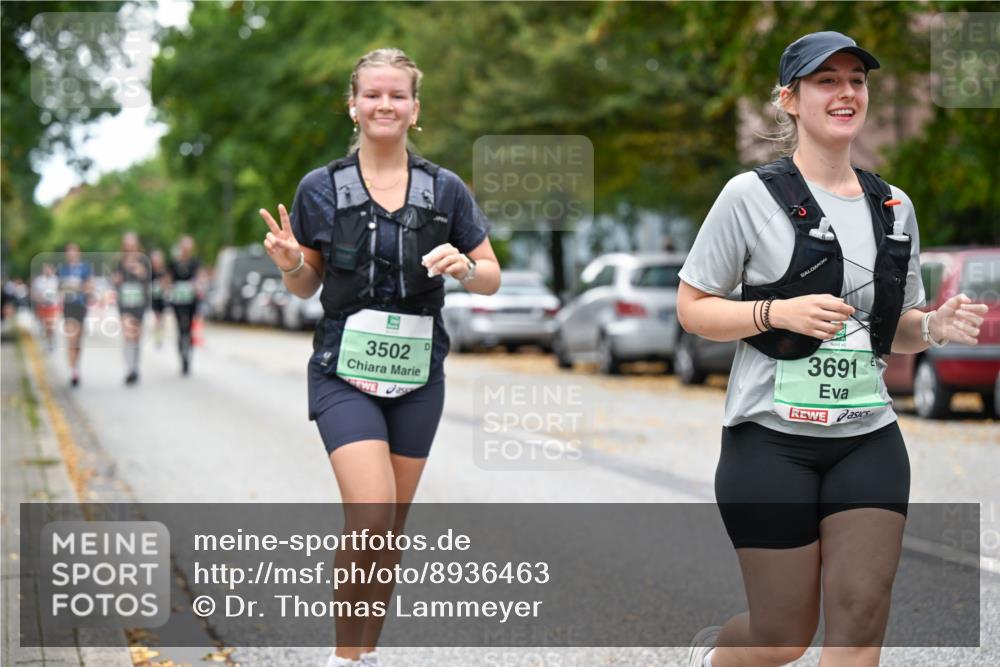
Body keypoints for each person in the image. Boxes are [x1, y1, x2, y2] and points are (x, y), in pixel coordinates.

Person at [677, 32, 988, 667]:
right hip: (770, 440)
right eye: (827, 80)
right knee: (783, 636)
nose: (846, 92)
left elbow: (892, 326)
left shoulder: (894, 206)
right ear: (790, 100)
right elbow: (693, 309)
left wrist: (932, 327)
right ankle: (710, 659)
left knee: (861, 618)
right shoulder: (749, 196)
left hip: (867, 437)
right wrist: (774, 311)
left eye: (857, 80)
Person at [259, 47, 500, 667]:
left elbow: (491, 275)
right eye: (373, 94)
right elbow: (306, 284)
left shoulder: (446, 190)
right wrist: (290, 262)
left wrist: (466, 267)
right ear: (354, 105)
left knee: (387, 531)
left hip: (419, 376)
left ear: (415, 109)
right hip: (343, 372)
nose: (384, 104)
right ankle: (343, 659)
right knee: (370, 515)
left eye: (397, 95)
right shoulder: (320, 188)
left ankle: (364, 655)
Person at [114, 232, 150, 384]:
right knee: (128, 334)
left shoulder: (144, 261)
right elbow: (114, 281)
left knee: (137, 336)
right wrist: (117, 280)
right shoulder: (119, 261)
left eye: (132, 245)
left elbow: (150, 280)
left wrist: (141, 272)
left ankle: (135, 367)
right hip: (125, 303)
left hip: (139, 303)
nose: (129, 248)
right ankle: (129, 369)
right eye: (127, 245)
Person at [165, 236, 203, 375]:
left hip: (191, 300)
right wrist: (169, 288)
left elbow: (200, 278)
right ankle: (182, 356)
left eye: (189, 248)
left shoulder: (195, 263)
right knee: (180, 328)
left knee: (189, 328)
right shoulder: (174, 263)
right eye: (184, 248)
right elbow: (167, 280)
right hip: (178, 300)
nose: (186, 251)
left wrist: (197, 285)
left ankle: (189, 357)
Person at [57, 243, 93, 387]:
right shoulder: (62, 269)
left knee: (78, 340)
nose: (71, 254)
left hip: (81, 306)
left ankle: (76, 364)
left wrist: (78, 286)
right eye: (69, 252)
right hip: (68, 306)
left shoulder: (85, 268)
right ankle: (73, 372)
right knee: (71, 339)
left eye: (74, 252)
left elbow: (89, 286)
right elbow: (59, 288)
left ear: (79, 253)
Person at [32, 263, 60, 352]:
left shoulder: (56, 280)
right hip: (42, 306)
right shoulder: (38, 280)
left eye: (49, 269)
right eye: (45, 269)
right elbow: (33, 293)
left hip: (52, 306)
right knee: (43, 327)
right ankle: (46, 341)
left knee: (50, 326)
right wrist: (39, 298)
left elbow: (59, 292)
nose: (47, 271)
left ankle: (51, 343)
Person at [149, 249, 168, 348]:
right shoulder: (150, 271)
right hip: (154, 298)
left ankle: (160, 336)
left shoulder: (163, 271)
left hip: (162, 298)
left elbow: (167, 285)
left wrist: (164, 284)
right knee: (157, 318)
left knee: (162, 319)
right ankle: (157, 336)